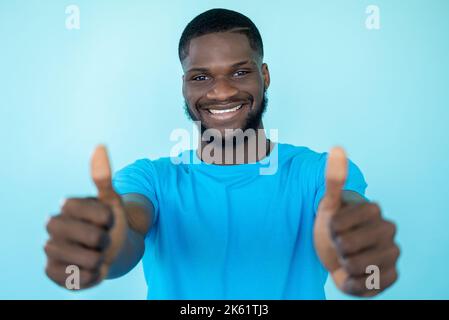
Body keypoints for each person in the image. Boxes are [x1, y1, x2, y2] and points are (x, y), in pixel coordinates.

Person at [44, 8, 399, 299]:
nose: (222, 91)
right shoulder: (149, 178)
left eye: (241, 72)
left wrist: (354, 242)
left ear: (265, 75)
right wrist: (103, 243)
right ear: (184, 86)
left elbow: (344, 214)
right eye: (200, 77)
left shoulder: (319, 173)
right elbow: (127, 229)